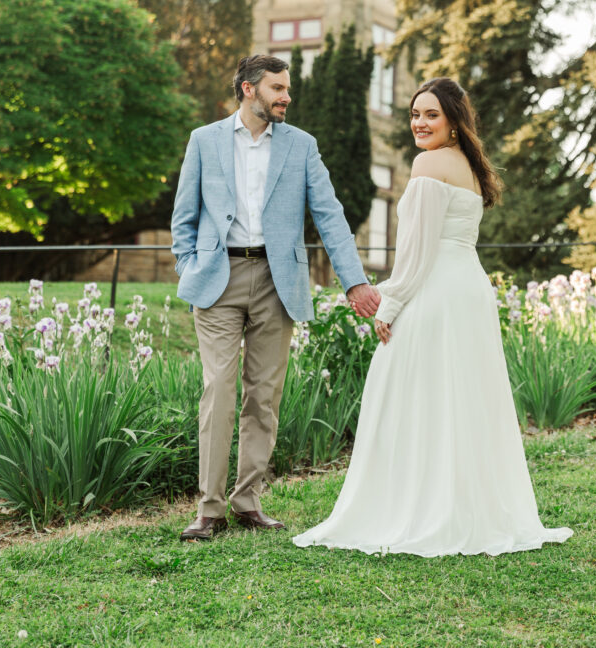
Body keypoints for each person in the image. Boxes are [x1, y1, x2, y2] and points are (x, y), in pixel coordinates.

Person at [293, 77, 573, 557]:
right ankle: (466, 507)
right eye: (414, 115)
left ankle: (419, 508)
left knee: (415, 393)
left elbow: (417, 250)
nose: (419, 124)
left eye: (431, 115)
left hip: (436, 292)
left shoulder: (427, 164)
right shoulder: (468, 164)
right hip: (468, 290)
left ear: (454, 121)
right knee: (462, 400)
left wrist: (391, 302)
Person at [172, 54, 380, 541]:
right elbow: (183, 216)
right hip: (217, 278)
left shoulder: (302, 146)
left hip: (277, 280)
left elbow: (330, 215)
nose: (286, 96)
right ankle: (209, 508)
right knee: (219, 390)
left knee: (263, 396)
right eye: (277, 88)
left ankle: (247, 501)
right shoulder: (204, 141)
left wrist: (354, 281)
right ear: (248, 89)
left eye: (287, 89)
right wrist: (189, 264)